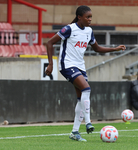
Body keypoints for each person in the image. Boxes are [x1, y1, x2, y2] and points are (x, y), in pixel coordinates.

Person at [45, 5, 126, 142]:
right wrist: (51, 64)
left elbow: (97, 48)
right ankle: (88, 122)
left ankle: (75, 132)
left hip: (80, 67)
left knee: (81, 98)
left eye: (91, 17)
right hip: (67, 65)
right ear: (79, 17)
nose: (90, 20)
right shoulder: (69, 29)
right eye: (87, 17)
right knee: (86, 89)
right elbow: (49, 43)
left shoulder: (89, 31)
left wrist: (115, 49)